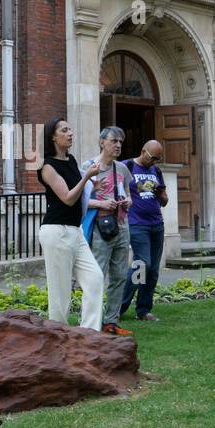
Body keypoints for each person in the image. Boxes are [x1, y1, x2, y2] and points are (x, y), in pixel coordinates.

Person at [37, 118, 104, 331]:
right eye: (64, 130)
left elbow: (78, 191)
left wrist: (92, 183)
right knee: (60, 292)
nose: (70, 133)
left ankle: (89, 334)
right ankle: (58, 339)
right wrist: (87, 178)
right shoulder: (47, 166)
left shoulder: (71, 160)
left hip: (76, 231)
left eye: (70, 129)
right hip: (57, 231)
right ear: (53, 137)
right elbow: (67, 197)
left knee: (95, 279)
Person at [82, 127, 135, 336]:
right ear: (102, 142)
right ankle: (90, 322)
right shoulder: (89, 167)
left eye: (120, 142)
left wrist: (127, 201)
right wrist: (102, 202)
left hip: (122, 226)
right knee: (96, 275)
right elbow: (80, 199)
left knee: (120, 275)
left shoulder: (121, 169)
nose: (118, 145)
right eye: (114, 141)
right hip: (100, 228)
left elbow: (129, 194)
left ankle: (111, 322)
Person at [120, 140, 169, 322]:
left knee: (153, 270)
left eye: (158, 159)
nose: (154, 162)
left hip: (156, 224)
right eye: (152, 158)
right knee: (142, 264)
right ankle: (120, 306)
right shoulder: (127, 166)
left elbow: (164, 201)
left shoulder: (156, 171)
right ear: (143, 151)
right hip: (136, 223)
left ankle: (143, 309)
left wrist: (160, 193)